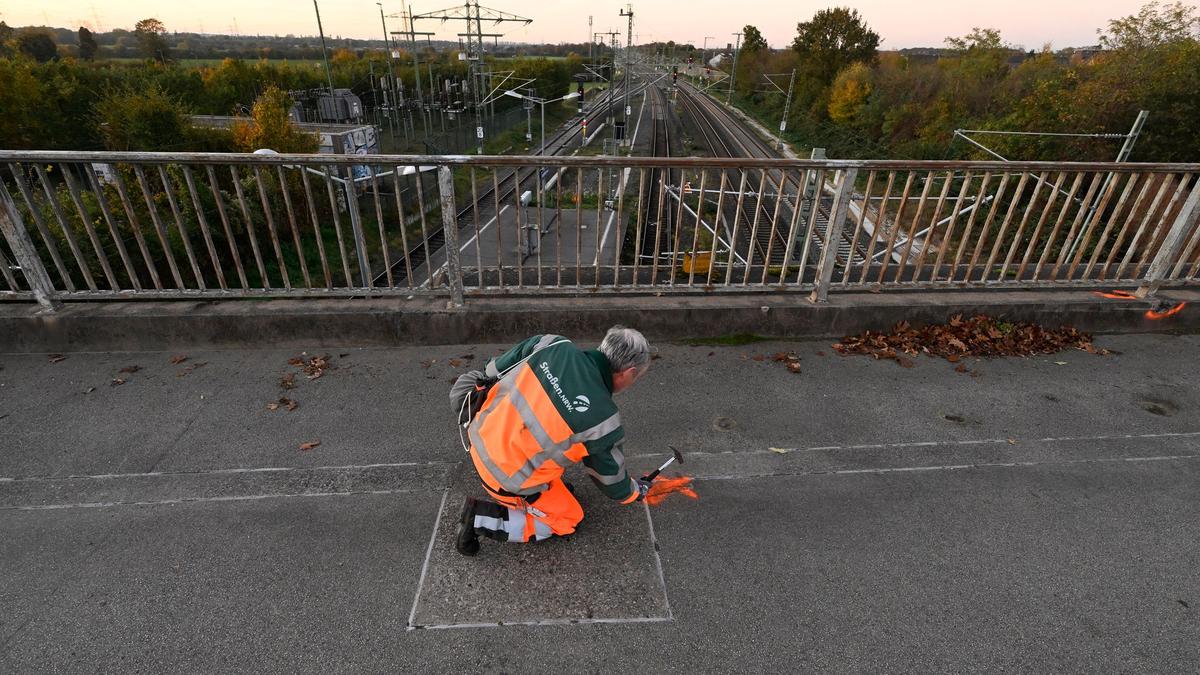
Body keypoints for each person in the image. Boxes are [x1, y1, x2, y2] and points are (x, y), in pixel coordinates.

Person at [448, 326, 653, 556]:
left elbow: (493, 368)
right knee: (570, 518)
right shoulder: (604, 420)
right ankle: (481, 520)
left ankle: (543, 492)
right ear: (628, 373)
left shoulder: (551, 344)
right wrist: (635, 491)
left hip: (477, 434)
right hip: (503, 477)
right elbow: (612, 483)